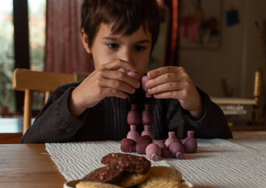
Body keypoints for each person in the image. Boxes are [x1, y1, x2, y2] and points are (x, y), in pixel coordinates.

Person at [21, 0, 232, 143]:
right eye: (112, 45)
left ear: (152, 46)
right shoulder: (69, 98)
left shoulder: (166, 102)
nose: (128, 61)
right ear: (87, 40)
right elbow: (29, 145)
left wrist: (197, 105)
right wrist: (76, 102)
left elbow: (223, 141)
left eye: (139, 48)